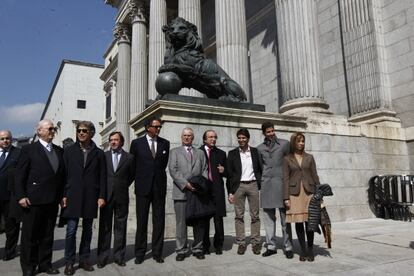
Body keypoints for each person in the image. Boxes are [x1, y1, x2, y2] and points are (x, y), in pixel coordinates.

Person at [15, 120, 65, 276]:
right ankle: (29, 266)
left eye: (53, 128)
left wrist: (63, 195)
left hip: (52, 200)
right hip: (33, 200)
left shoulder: (59, 150)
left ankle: (45, 264)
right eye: (49, 128)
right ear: (39, 131)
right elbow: (19, 175)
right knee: (30, 236)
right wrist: (21, 195)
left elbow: (62, 176)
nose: (52, 131)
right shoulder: (29, 150)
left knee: (47, 235)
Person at [61, 121, 106, 275]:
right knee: (71, 230)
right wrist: (63, 195)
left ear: (91, 133)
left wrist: (101, 196)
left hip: (90, 197)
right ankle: (69, 262)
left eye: (84, 130)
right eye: (79, 130)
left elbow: (102, 177)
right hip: (72, 196)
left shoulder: (99, 153)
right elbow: (63, 175)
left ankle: (84, 259)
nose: (81, 133)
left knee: (87, 231)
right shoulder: (68, 151)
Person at [130, 117, 170, 264]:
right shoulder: (136, 143)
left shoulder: (165, 143)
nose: (159, 129)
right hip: (143, 187)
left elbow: (162, 165)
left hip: (159, 187)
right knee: (142, 221)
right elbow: (133, 165)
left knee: (159, 221)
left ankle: (157, 252)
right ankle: (140, 253)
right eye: (156, 126)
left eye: (160, 126)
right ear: (148, 127)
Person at [169, 127, 208, 261]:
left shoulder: (200, 153)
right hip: (181, 192)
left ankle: (197, 248)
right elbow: (173, 170)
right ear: (181, 137)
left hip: (197, 194)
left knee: (198, 222)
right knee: (181, 223)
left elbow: (205, 170)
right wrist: (187, 184)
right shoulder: (174, 152)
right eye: (184, 135)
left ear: (193, 138)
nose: (187, 137)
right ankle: (181, 249)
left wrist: (198, 185)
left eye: (189, 135)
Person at [97, 131, 134, 268]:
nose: (113, 142)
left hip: (121, 197)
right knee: (105, 228)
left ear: (121, 142)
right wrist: (100, 196)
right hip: (106, 197)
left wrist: (121, 186)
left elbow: (131, 176)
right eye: (111, 140)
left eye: (116, 140)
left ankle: (119, 256)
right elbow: (100, 176)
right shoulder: (103, 156)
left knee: (121, 228)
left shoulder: (129, 158)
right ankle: (102, 257)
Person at [257, 121, 293, 258]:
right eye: (268, 132)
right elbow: (260, 167)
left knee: (285, 218)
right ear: (264, 133)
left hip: (281, 184)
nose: (271, 134)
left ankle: (288, 246)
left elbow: (290, 163)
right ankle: (271, 246)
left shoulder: (284, 144)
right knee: (268, 218)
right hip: (267, 185)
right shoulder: (259, 148)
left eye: (272, 131)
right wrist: (263, 180)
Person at [283, 132, 320, 262]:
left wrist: (319, 193)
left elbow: (315, 176)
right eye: (298, 141)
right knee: (299, 222)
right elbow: (286, 179)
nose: (301, 143)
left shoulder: (310, 157)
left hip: (309, 192)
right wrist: (286, 197)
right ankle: (303, 250)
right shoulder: (287, 158)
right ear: (294, 143)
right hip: (294, 194)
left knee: (310, 222)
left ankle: (310, 249)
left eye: (303, 141)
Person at [226, 128, 262, 255]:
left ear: (248, 139)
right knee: (239, 216)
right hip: (238, 187)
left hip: (253, 185)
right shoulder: (232, 153)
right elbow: (229, 175)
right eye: (239, 138)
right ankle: (241, 243)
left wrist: (259, 183)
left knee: (255, 216)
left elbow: (260, 169)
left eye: (243, 138)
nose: (241, 140)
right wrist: (230, 192)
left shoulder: (255, 152)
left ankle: (256, 242)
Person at [199, 130, 226, 255]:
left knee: (218, 219)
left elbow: (228, 173)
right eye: (210, 137)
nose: (213, 139)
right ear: (205, 139)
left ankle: (218, 245)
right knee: (204, 219)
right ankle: (205, 246)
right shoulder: (198, 152)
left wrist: (223, 170)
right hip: (204, 191)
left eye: (215, 137)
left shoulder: (221, 153)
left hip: (217, 190)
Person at [0, 130, 21, 261]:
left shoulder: (18, 153)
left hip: (11, 196)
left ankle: (10, 251)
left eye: (7, 138)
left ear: (12, 139)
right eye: (2, 139)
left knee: (12, 225)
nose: (5, 141)